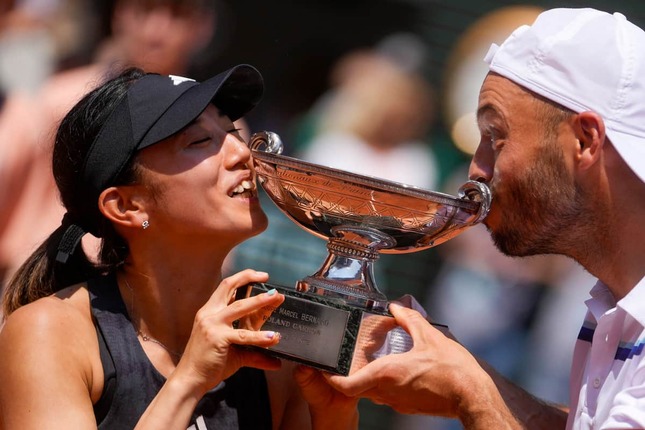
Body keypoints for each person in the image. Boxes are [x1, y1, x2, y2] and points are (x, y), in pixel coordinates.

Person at [323, 7, 645, 429]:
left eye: (496, 137)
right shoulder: (615, 303)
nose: (477, 168)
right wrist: (468, 377)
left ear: (585, 141)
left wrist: (469, 389)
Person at [0, 64, 358, 429]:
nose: (243, 154)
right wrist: (189, 381)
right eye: (200, 141)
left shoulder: (268, 347)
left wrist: (334, 413)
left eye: (232, 131)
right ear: (126, 206)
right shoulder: (50, 333)